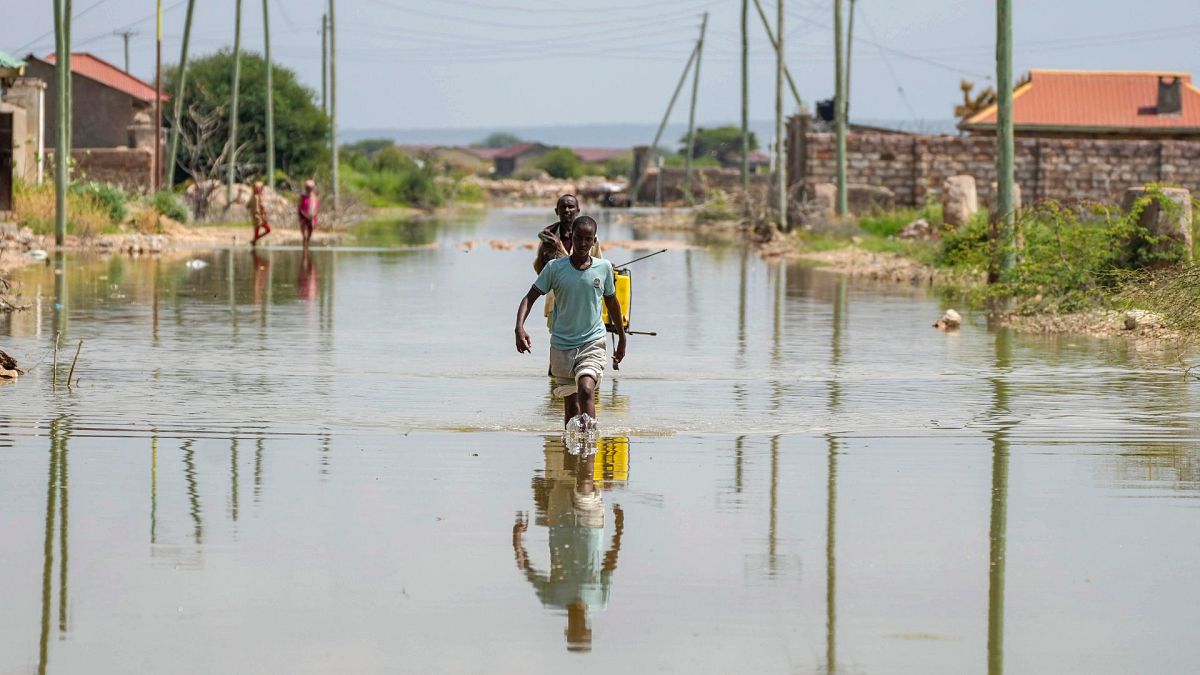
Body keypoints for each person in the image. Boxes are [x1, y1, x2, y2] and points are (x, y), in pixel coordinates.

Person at [516, 216, 626, 430]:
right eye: (578, 238)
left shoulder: (603, 268)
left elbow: (613, 303)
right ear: (571, 237)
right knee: (571, 404)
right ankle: (572, 453)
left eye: (588, 239)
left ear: (594, 241)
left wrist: (621, 337)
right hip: (562, 346)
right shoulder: (555, 268)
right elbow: (530, 297)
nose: (583, 244)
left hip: (592, 342)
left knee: (586, 389)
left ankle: (589, 445)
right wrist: (519, 327)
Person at [534, 194, 602, 331]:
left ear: (577, 211)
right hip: (557, 301)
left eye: (571, 206)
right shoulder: (549, 237)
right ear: (556, 211)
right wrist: (544, 252)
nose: (567, 210)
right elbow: (540, 271)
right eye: (563, 207)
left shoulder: (590, 238)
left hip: (585, 302)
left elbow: (599, 268)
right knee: (561, 343)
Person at [248, 181, 271, 246]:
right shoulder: (256, 197)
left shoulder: (256, 196)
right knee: (268, 229)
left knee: (256, 233)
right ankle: (254, 240)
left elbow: (248, 206)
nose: (260, 189)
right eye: (258, 188)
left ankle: (254, 242)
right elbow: (259, 207)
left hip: (257, 216)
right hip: (258, 217)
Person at [298, 179, 319, 248]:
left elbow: (316, 208)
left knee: (309, 234)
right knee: (304, 235)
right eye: (307, 187)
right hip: (303, 216)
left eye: (310, 188)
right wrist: (304, 215)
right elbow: (300, 207)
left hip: (312, 217)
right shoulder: (302, 197)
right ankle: (305, 249)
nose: (309, 189)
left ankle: (307, 248)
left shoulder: (314, 197)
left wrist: (312, 216)